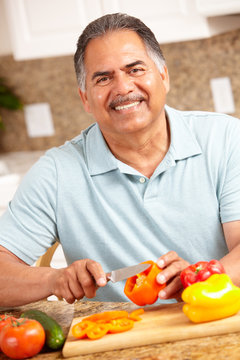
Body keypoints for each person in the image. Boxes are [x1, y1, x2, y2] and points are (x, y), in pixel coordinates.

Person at [0, 13, 240, 307]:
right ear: (85, 98)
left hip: (216, 320)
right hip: (118, 339)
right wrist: (56, 279)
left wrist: (197, 277)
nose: (123, 87)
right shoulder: (56, 173)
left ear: (163, 76)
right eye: (103, 78)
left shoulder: (225, 138)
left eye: (135, 69)